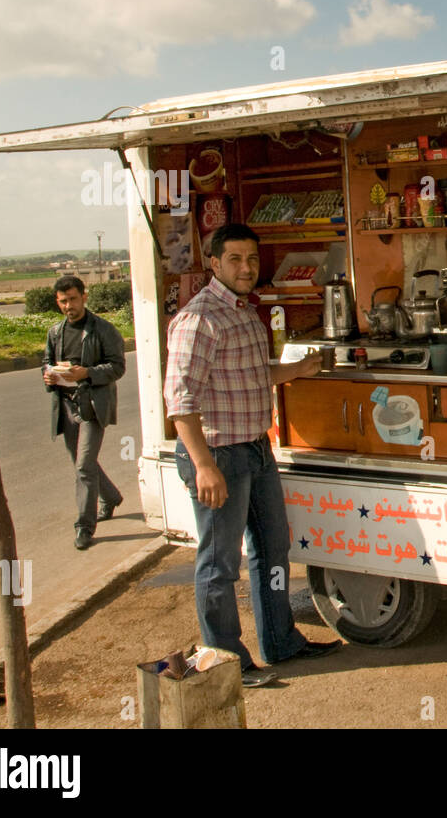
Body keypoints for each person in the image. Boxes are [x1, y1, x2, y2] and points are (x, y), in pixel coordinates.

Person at [163, 223, 336, 687]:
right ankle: (227, 664)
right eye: (235, 259)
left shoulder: (243, 311)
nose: (246, 267)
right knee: (219, 563)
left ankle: (280, 641)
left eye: (252, 259)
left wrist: (301, 368)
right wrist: (203, 464)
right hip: (219, 455)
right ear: (215, 264)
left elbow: (253, 374)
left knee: (273, 550)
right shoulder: (199, 319)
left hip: (256, 448)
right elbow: (180, 401)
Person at [43, 276, 126, 551]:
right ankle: (111, 497)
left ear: (84, 297)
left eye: (73, 299)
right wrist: (48, 376)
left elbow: (117, 367)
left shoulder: (103, 329)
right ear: (58, 303)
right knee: (82, 464)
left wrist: (87, 373)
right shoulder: (55, 332)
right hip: (65, 407)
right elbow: (47, 361)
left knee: (83, 465)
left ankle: (84, 526)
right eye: (63, 301)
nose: (69, 305)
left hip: (92, 406)